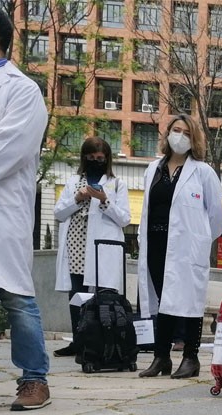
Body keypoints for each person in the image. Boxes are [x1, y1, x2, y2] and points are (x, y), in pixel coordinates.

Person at [0, 1, 52, 410]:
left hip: (0, 210)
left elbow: (6, 150)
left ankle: (34, 379)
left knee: (17, 299)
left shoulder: (21, 90)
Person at [137, 115, 222, 379]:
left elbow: (216, 216)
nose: (180, 136)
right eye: (176, 130)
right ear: (167, 134)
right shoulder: (152, 169)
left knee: (190, 302)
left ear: (194, 139)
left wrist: (198, 239)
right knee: (163, 301)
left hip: (187, 249)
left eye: (186, 133)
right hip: (156, 244)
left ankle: (191, 357)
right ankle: (161, 357)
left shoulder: (203, 172)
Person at [52, 137, 132, 357]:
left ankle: (103, 341)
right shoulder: (73, 182)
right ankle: (78, 342)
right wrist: (77, 198)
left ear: (106, 159)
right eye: (90, 158)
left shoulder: (117, 184)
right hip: (76, 246)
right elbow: (58, 213)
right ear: (84, 158)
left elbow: (125, 219)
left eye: (99, 158)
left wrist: (105, 200)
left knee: (103, 297)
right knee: (76, 296)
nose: (95, 161)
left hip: (101, 250)